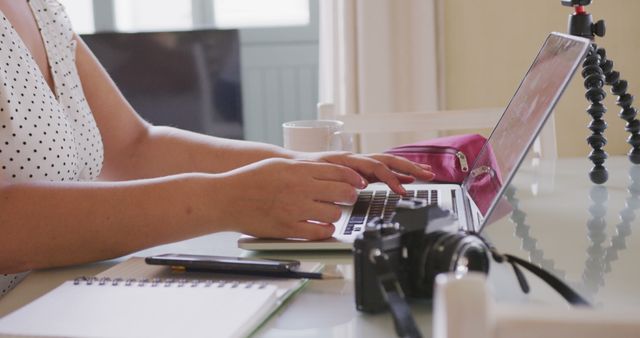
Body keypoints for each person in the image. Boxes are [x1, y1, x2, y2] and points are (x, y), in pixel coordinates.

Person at [0, 0, 435, 296]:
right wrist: (224, 199)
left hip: (60, 303)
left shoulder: (41, 7)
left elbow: (134, 146)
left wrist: (306, 167)